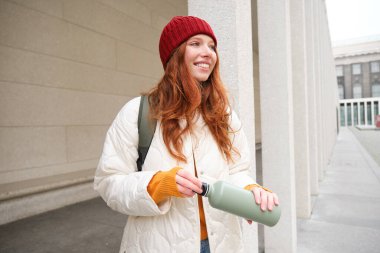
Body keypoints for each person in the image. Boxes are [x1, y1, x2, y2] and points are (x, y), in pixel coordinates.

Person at [94, 16, 279, 253]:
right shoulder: (137, 113)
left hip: (223, 244)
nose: (208, 53)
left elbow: (237, 170)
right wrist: (159, 184)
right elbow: (109, 182)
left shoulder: (225, 115)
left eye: (212, 46)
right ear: (175, 54)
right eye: (195, 43)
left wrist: (250, 190)